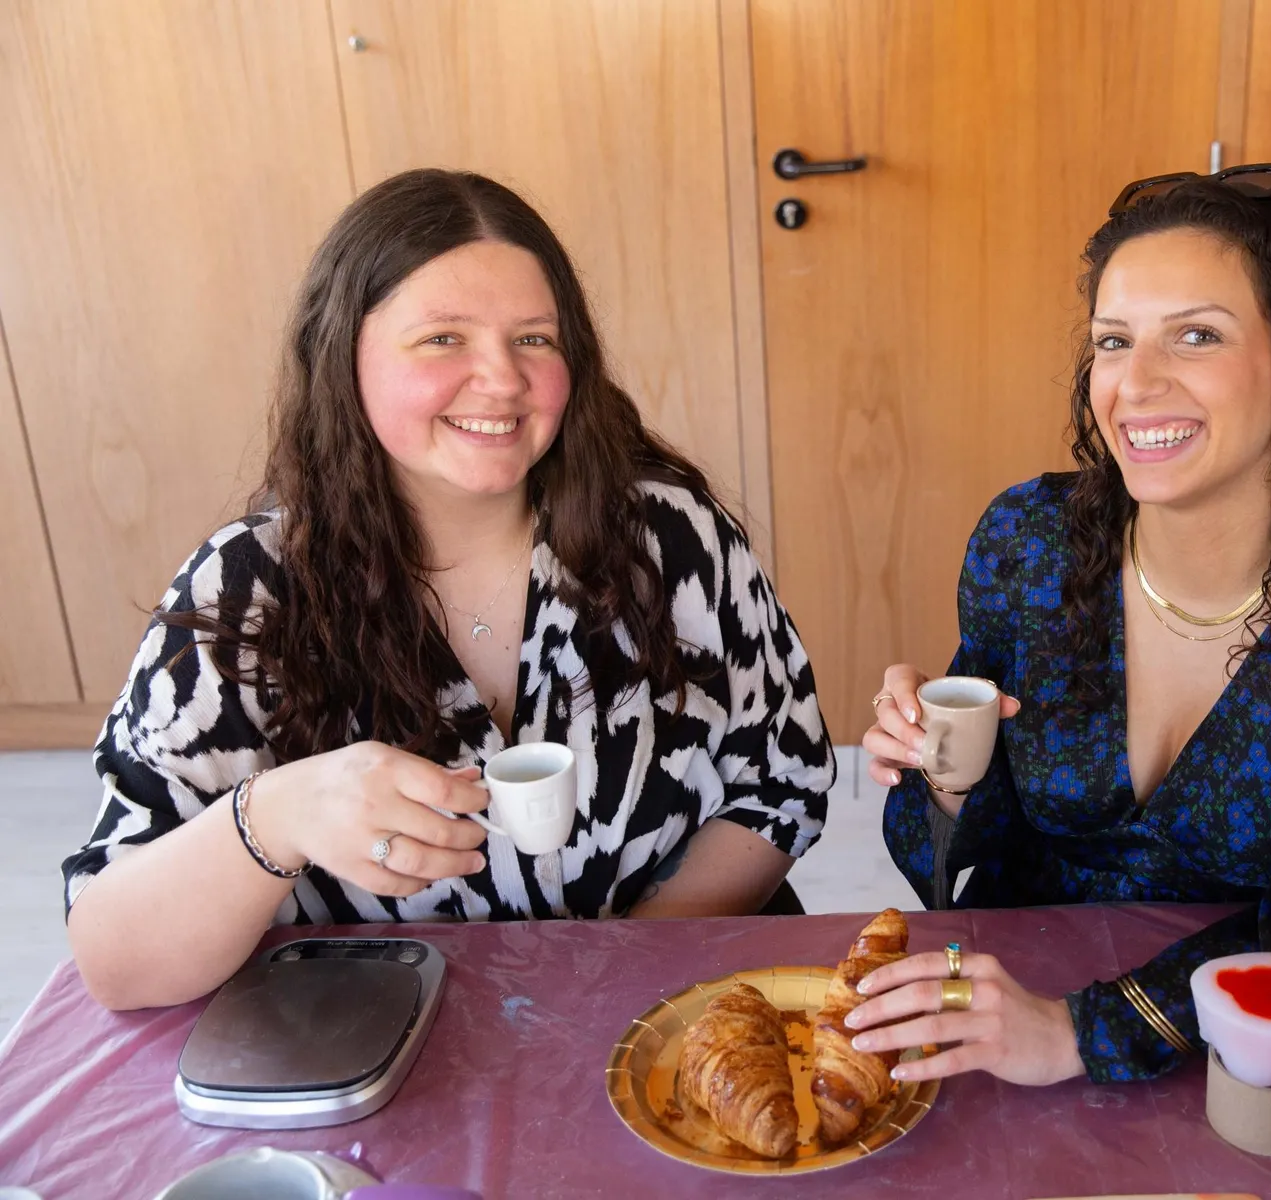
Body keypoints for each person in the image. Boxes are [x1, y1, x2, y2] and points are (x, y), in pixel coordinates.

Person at [64, 169, 833, 1010]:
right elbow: (116, 963)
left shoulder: (670, 539)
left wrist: (624, 970)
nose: (502, 380)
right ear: (343, 356)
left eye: (535, 339)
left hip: (666, 1023)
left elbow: (783, 780)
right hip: (392, 1053)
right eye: (443, 339)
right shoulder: (251, 592)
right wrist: (275, 816)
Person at [852, 165, 1271, 1085]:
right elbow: (953, 871)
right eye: (1113, 340)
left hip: (1241, 1055)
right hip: (1003, 1008)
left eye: (1196, 335)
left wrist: (1081, 1035)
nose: (1136, 383)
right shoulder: (1029, 542)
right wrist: (939, 772)